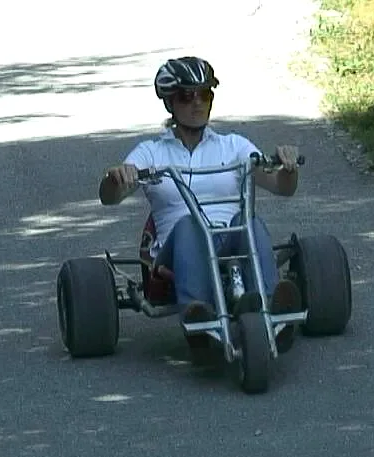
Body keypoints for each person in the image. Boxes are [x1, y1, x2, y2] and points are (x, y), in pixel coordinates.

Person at [98, 56, 303, 345]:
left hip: (231, 237)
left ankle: (272, 311)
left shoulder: (235, 146)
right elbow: (111, 197)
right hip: (176, 248)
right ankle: (200, 320)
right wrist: (117, 177)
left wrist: (288, 168)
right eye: (187, 95)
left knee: (250, 222)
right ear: (170, 103)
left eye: (205, 94)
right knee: (190, 225)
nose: (197, 103)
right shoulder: (151, 152)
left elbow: (283, 187)